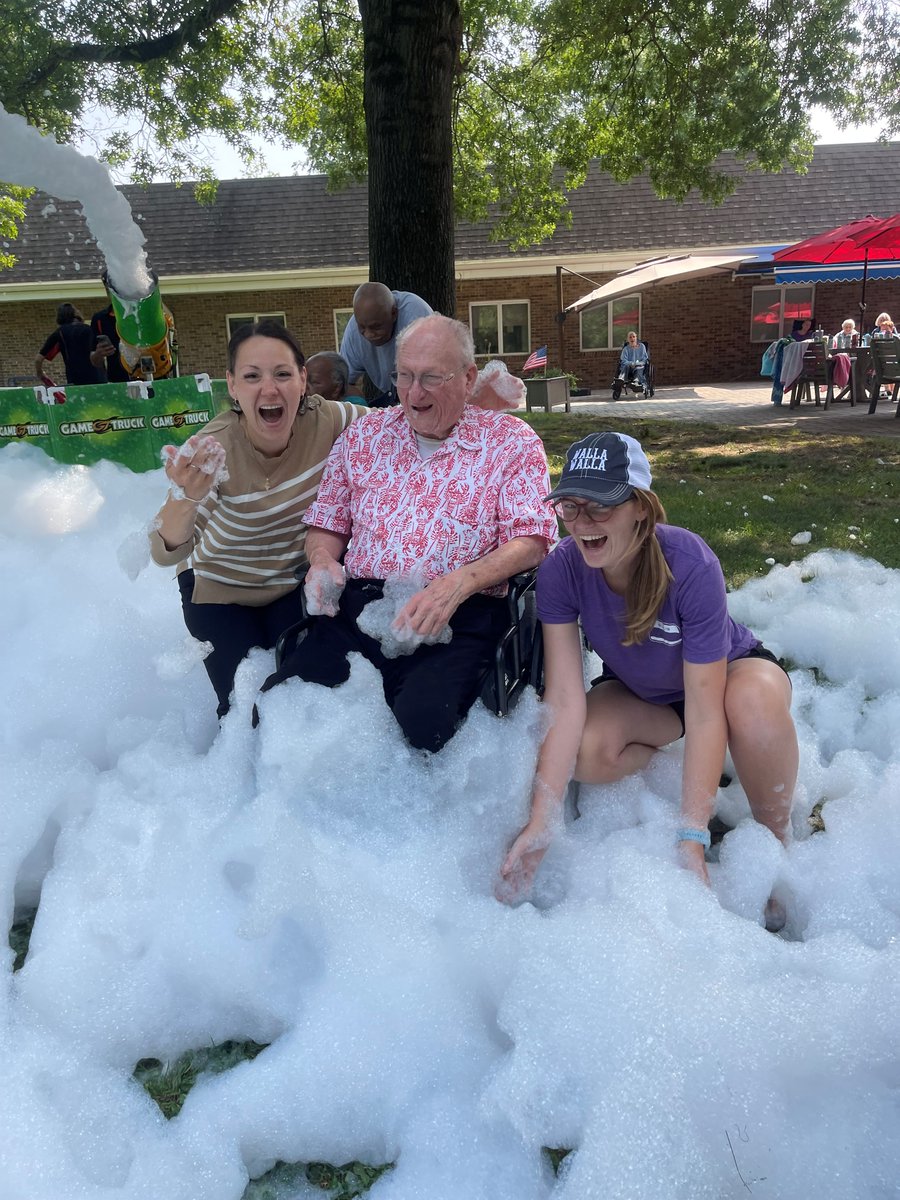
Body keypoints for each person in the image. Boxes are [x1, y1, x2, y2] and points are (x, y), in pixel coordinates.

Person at [499, 431, 798, 928]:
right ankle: (691, 769)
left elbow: (707, 708)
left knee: (749, 709)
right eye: (569, 508)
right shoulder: (561, 570)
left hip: (731, 675)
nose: (582, 524)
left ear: (641, 507)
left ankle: (775, 841)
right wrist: (541, 819)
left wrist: (692, 835)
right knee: (587, 754)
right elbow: (566, 699)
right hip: (648, 693)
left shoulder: (690, 562)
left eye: (600, 507)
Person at [259, 314, 558, 752]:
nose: (414, 393)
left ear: (468, 377)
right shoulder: (364, 436)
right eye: (404, 376)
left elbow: (532, 539)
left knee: (424, 729)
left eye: (431, 378)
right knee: (279, 713)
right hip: (361, 609)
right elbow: (328, 521)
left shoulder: (511, 442)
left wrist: (460, 583)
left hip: (460, 609)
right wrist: (322, 560)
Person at [149, 320, 364, 719]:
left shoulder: (330, 420)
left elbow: (400, 425)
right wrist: (186, 497)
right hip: (219, 589)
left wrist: (475, 403)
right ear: (232, 385)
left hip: (288, 583)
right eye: (252, 376)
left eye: (283, 374)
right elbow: (165, 553)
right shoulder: (215, 449)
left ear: (303, 379)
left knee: (308, 695)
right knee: (245, 714)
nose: (270, 388)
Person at [339, 282, 433, 405]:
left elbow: (432, 371)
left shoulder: (416, 316)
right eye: (362, 327)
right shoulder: (353, 330)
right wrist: (361, 406)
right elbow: (342, 384)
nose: (368, 334)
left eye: (376, 327)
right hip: (391, 395)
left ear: (394, 314)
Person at [35, 303, 103, 386]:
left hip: (76, 379)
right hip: (99, 377)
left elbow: (39, 359)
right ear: (76, 314)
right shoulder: (90, 329)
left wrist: (40, 373)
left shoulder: (60, 333)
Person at [89, 300, 130, 383]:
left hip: (150, 376)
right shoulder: (100, 319)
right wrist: (99, 353)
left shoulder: (144, 312)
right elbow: (94, 360)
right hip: (117, 380)